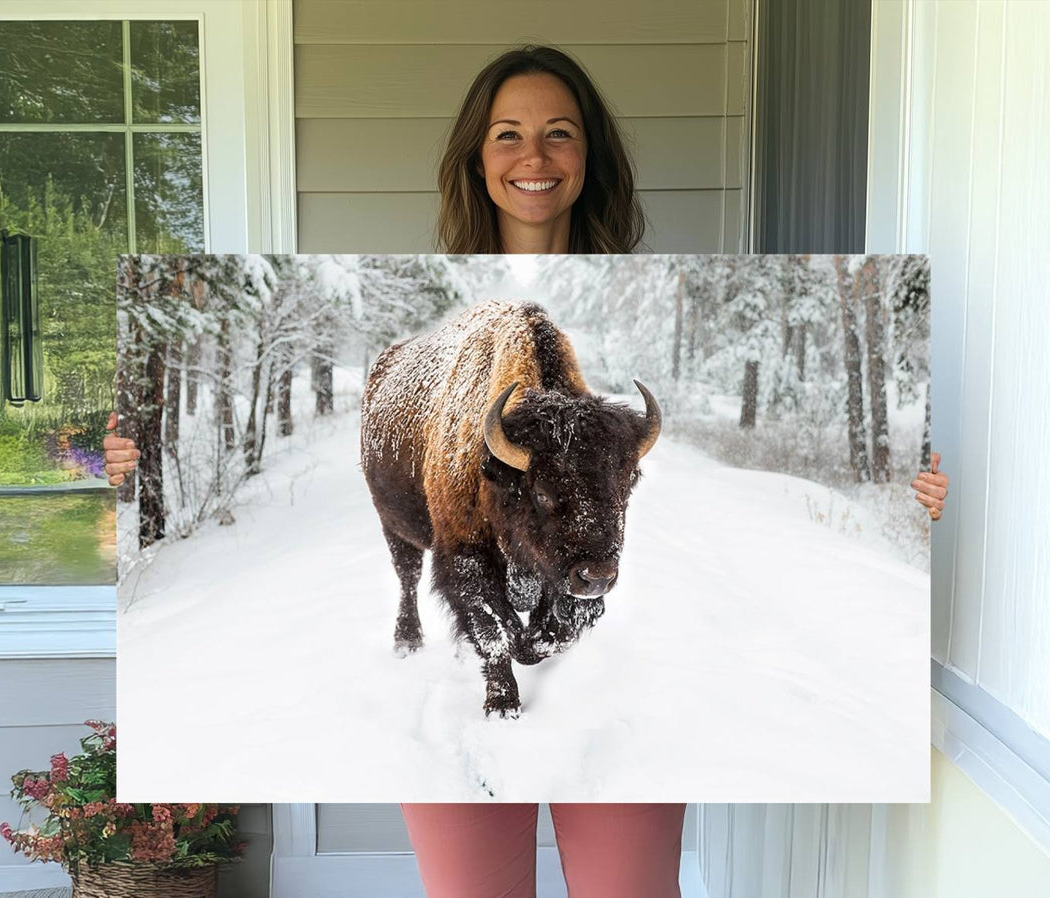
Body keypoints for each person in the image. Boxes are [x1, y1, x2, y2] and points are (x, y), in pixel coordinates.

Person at [105, 44, 948, 898]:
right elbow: (459, 550)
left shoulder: (663, 289)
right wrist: (116, 472)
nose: (534, 157)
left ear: (591, 157)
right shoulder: (453, 398)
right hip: (449, 516)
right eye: (507, 134)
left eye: (560, 134)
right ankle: (444, 625)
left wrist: (933, 503)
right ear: (477, 157)